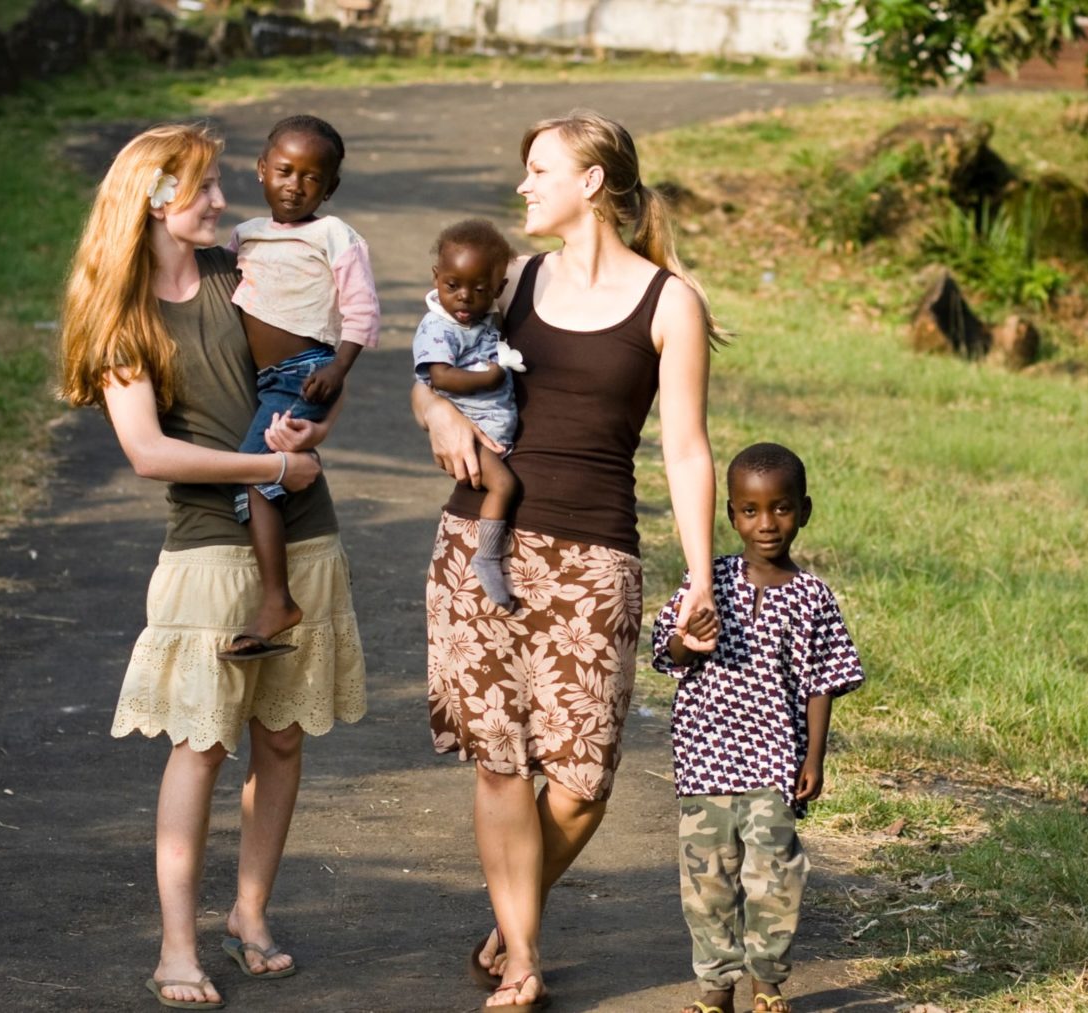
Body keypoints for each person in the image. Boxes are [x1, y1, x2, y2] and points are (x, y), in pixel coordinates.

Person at [413, 109, 723, 1011]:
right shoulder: (512, 283)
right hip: (481, 544)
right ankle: (523, 956)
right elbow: (434, 366)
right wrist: (436, 414)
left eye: (539, 169)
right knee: (502, 763)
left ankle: (512, 916)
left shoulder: (671, 303)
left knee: (582, 781)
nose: (523, 187)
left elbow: (688, 451)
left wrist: (700, 577)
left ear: (591, 181)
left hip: (597, 558)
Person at [58, 123, 367, 1010]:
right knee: (201, 745)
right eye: (205, 189)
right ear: (157, 201)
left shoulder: (248, 273)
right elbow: (150, 454)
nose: (226, 202)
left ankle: (250, 913)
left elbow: (317, 375)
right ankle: (176, 947)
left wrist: (310, 432)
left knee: (281, 736)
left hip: (306, 535)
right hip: (207, 554)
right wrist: (270, 468)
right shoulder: (125, 319)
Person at [651, 443, 865, 1013]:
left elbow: (822, 682)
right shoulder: (707, 580)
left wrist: (813, 758)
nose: (766, 524)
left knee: (775, 878)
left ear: (805, 510)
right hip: (704, 761)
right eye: (750, 510)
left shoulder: (813, 597)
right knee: (707, 884)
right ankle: (715, 990)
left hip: (774, 759)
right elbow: (665, 652)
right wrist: (685, 636)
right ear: (731, 514)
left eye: (781, 509)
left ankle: (767, 985)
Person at [218, 114, 379, 661]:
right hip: (266, 382)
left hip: (306, 372)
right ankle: (275, 592)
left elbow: (361, 312)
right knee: (261, 477)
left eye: (312, 178)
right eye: (284, 170)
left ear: (329, 188)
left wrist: (338, 369)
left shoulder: (335, 236)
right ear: (261, 170)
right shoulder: (244, 235)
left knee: (258, 477)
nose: (295, 185)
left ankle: (276, 602)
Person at [412, 218, 523, 610]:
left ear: (498, 289)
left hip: (495, 426)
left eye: (479, 290)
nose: (464, 298)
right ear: (436, 278)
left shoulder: (488, 317)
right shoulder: (438, 328)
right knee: (503, 486)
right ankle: (487, 555)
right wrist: (490, 377)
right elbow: (439, 377)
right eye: (452, 286)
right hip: (471, 429)